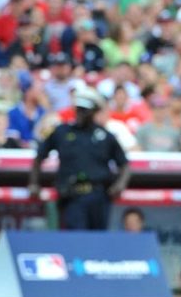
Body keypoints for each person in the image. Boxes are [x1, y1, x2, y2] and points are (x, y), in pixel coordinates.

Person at [28, 86, 130, 230]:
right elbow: (39, 156)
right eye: (79, 109)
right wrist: (34, 183)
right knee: (75, 239)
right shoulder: (62, 132)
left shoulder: (105, 136)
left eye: (85, 110)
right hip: (71, 195)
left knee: (98, 241)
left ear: (94, 111)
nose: (80, 114)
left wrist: (120, 185)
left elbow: (124, 163)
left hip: (99, 195)